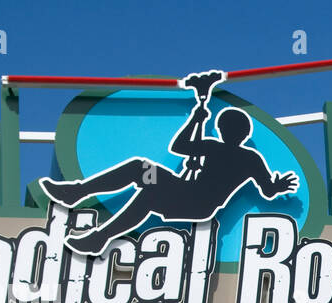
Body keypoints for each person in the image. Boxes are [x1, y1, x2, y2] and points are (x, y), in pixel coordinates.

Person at [40, 69, 298, 256]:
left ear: (229, 130)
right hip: (187, 194)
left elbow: (180, 146)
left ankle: (82, 203)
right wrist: (278, 185)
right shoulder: (239, 155)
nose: (226, 131)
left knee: (141, 174)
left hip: (196, 201)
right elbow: (268, 189)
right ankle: (92, 225)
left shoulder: (228, 152)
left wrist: (196, 119)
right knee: (143, 180)